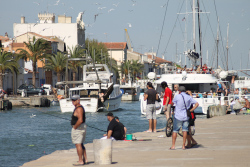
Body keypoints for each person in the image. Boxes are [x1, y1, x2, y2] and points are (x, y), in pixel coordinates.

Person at [70, 95, 87, 165]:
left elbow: (80, 120)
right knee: (81, 144)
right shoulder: (78, 108)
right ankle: (85, 159)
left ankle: (80, 161)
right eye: (72, 100)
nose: (73, 102)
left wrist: (74, 127)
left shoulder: (79, 109)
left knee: (78, 144)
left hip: (78, 128)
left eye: (74, 100)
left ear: (78, 100)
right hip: (81, 128)